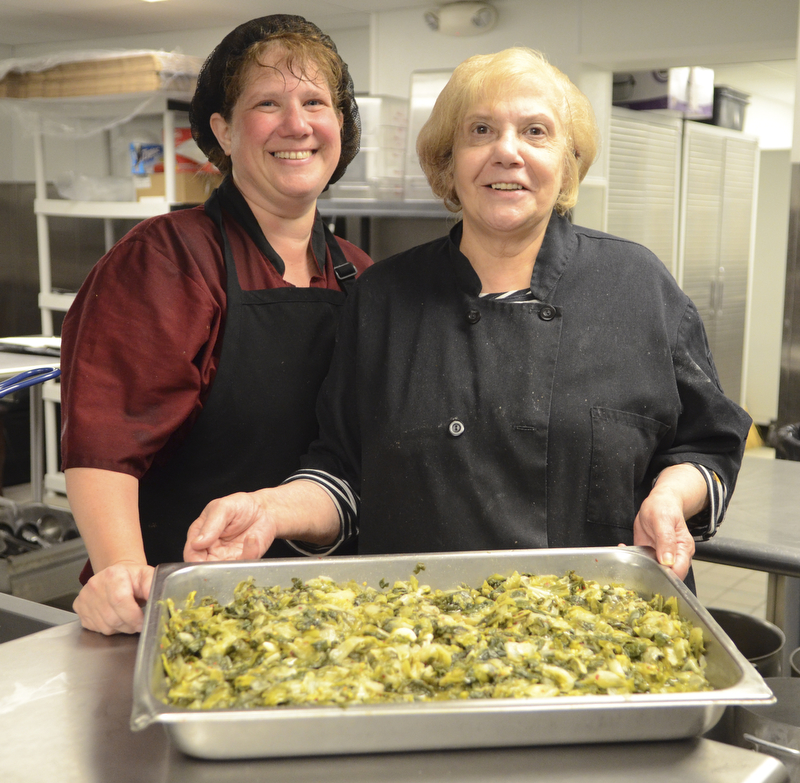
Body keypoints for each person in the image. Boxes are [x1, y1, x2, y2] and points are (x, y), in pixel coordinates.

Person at [185, 47, 752, 588]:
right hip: (424, 640)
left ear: (568, 160)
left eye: (535, 131)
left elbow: (707, 444)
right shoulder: (383, 298)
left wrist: (671, 496)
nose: (507, 152)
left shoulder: (637, 286)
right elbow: (345, 474)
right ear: (447, 161)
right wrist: (268, 509)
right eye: (480, 131)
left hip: (599, 638)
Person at [60, 15, 372, 635]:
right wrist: (121, 573)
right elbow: (104, 435)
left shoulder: (361, 274)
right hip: (182, 602)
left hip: (330, 607)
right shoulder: (169, 258)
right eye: (267, 104)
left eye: (316, 101)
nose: (297, 124)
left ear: (340, 125)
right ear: (223, 131)